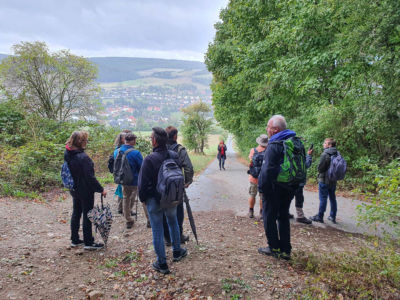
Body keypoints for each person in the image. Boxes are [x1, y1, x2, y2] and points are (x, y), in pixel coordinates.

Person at [138, 127, 187, 274]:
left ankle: (162, 263)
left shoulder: (149, 159)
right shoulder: (173, 155)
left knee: (157, 229)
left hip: (154, 199)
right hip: (171, 197)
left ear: (154, 141)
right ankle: (177, 251)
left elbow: (142, 184)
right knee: (173, 222)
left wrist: (143, 199)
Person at [258, 115, 301, 260]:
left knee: (268, 216)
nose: (267, 129)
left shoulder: (275, 144)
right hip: (290, 186)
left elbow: (267, 170)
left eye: (268, 127)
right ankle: (286, 249)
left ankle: (273, 247)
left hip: (274, 188)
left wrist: (262, 189)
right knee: (283, 216)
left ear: (275, 129)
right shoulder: (294, 140)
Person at [64, 131, 107, 251]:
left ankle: (75, 239)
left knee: (76, 212)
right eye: (85, 140)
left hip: (74, 188)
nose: (86, 142)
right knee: (88, 214)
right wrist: (101, 189)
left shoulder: (68, 153)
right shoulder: (83, 158)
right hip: (85, 190)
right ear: (80, 142)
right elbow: (90, 177)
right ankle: (89, 242)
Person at [163, 126, 194, 245]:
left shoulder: (159, 148)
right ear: (175, 136)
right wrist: (187, 181)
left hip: (162, 185)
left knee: (164, 210)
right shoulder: (180, 149)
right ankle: (179, 235)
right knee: (178, 210)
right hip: (177, 185)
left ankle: (167, 238)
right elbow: (188, 167)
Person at [114, 133, 144, 229]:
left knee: (126, 198)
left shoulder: (118, 151)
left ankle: (128, 220)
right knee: (143, 199)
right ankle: (149, 220)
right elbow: (142, 167)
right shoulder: (136, 153)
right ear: (133, 141)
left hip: (123, 180)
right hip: (135, 180)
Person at [310, 138, 338, 224]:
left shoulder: (325, 154)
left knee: (323, 198)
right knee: (332, 198)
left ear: (330, 145)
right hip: (333, 180)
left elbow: (320, 169)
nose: (323, 144)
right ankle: (332, 216)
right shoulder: (337, 153)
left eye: (325, 143)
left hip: (324, 180)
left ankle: (320, 216)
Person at [247, 134, 268, 219]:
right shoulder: (268, 150)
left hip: (254, 177)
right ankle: (261, 213)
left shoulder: (253, 150)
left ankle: (251, 211)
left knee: (252, 194)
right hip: (264, 177)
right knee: (262, 196)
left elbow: (251, 161)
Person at [292, 148, 314, 224]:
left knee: (287, 197)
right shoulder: (300, 157)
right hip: (299, 181)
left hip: (290, 180)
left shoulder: (289, 155)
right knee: (299, 198)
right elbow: (307, 165)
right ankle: (300, 216)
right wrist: (309, 155)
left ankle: (285, 212)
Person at [113, 131, 128, 214]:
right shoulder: (121, 150)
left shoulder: (116, 149)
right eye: (125, 137)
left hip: (118, 172)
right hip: (123, 172)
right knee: (124, 191)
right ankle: (124, 209)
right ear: (122, 139)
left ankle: (120, 207)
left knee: (120, 188)